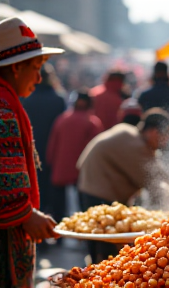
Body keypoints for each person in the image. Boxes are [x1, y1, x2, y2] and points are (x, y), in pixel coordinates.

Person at [0, 17, 64, 287]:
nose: (39, 78)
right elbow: (6, 181)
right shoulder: (3, 111)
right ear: (16, 68)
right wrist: (26, 215)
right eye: (36, 67)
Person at [77, 107, 169, 263]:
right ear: (154, 132)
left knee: (98, 244)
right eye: (167, 133)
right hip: (98, 193)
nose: (168, 139)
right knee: (105, 250)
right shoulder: (134, 144)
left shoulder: (129, 132)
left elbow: (158, 171)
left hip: (90, 187)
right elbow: (152, 181)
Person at [46, 88, 103, 224]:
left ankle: (57, 232)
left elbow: (53, 143)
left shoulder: (62, 119)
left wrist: (50, 161)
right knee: (83, 203)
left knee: (58, 203)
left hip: (61, 166)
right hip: (82, 168)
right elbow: (96, 149)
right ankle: (84, 232)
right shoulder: (92, 122)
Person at [22, 63, 66, 217]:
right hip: (54, 150)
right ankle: (54, 223)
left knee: (35, 186)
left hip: (31, 148)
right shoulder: (59, 99)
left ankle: (36, 216)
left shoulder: (25, 99)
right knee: (53, 188)